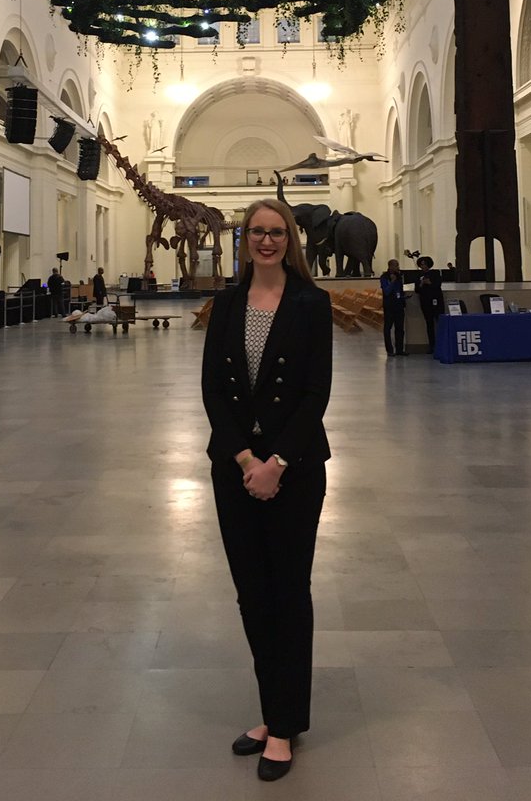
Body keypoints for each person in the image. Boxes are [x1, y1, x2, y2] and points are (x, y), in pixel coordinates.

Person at [201, 197, 332, 783]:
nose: (267, 240)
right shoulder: (228, 303)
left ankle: (284, 725)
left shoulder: (311, 303)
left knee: (289, 593)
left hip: (294, 470)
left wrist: (276, 462)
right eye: (257, 231)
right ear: (245, 239)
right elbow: (213, 389)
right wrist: (244, 458)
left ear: (291, 239)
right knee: (252, 595)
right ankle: (274, 712)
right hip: (236, 469)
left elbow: (315, 392)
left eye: (277, 232)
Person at [414, 255, 445, 352]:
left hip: (436, 301)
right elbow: (417, 290)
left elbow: (438, 285)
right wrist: (421, 284)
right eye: (421, 265)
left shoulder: (435, 273)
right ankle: (432, 345)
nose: (423, 266)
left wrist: (430, 283)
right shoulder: (419, 275)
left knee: (440, 322)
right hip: (425, 302)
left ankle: (442, 344)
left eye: (425, 264)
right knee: (429, 323)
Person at [379, 258, 407, 356]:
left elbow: (400, 290)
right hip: (389, 306)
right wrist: (392, 282)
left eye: (398, 265)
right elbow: (386, 291)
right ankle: (389, 350)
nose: (397, 267)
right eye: (396, 265)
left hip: (399, 305)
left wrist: (403, 298)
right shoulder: (384, 277)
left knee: (400, 328)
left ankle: (399, 349)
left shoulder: (399, 276)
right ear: (390, 266)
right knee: (388, 328)